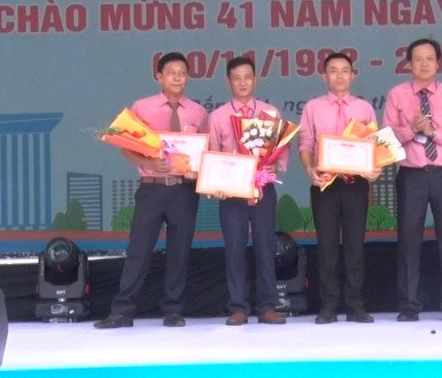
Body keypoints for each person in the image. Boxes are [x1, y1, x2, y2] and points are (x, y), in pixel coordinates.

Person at [96, 52, 209, 329]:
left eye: (182, 73)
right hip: (152, 189)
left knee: (179, 252)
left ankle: (173, 310)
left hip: (184, 190)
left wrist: (199, 171)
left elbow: (206, 152)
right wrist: (149, 163)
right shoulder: (142, 107)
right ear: (159, 76)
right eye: (171, 73)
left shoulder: (198, 112)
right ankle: (122, 311)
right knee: (139, 250)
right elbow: (125, 147)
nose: (177, 78)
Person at [383, 37, 442, 322]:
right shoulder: (397, 95)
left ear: (438, 63)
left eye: (429, 58)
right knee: (409, 241)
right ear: (408, 64)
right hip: (412, 175)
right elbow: (386, 138)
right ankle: (409, 305)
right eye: (418, 59)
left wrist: (434, 132)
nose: (424, 64)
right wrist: (411, 129)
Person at [298, 52, 379, 324]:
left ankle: (356, 305)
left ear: (353, 75)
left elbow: (375, 147)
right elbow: (305, 144)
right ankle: (329, 306)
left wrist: (375, 167)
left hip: (355, 184)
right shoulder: (312, 107)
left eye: (345, 70)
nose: (340, 76)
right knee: (327, 247)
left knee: (355, 246)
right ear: (325, 76)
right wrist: (309, 169)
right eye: (333, 71)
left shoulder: (364, 109)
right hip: (325, 184)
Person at [207, 56, 288, 326]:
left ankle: (267, 307)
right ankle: (238, 307)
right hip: (231, 194)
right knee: (234, 248)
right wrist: (215, 184)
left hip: (263, 189)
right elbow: (212, 154)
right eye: (237, 78)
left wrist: (276, 165)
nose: (242, 83)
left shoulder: (270, 113)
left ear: (256, 80)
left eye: (247, 77)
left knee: (266, 246)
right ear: (228, 82)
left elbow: (281, 149)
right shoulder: (217, 117)